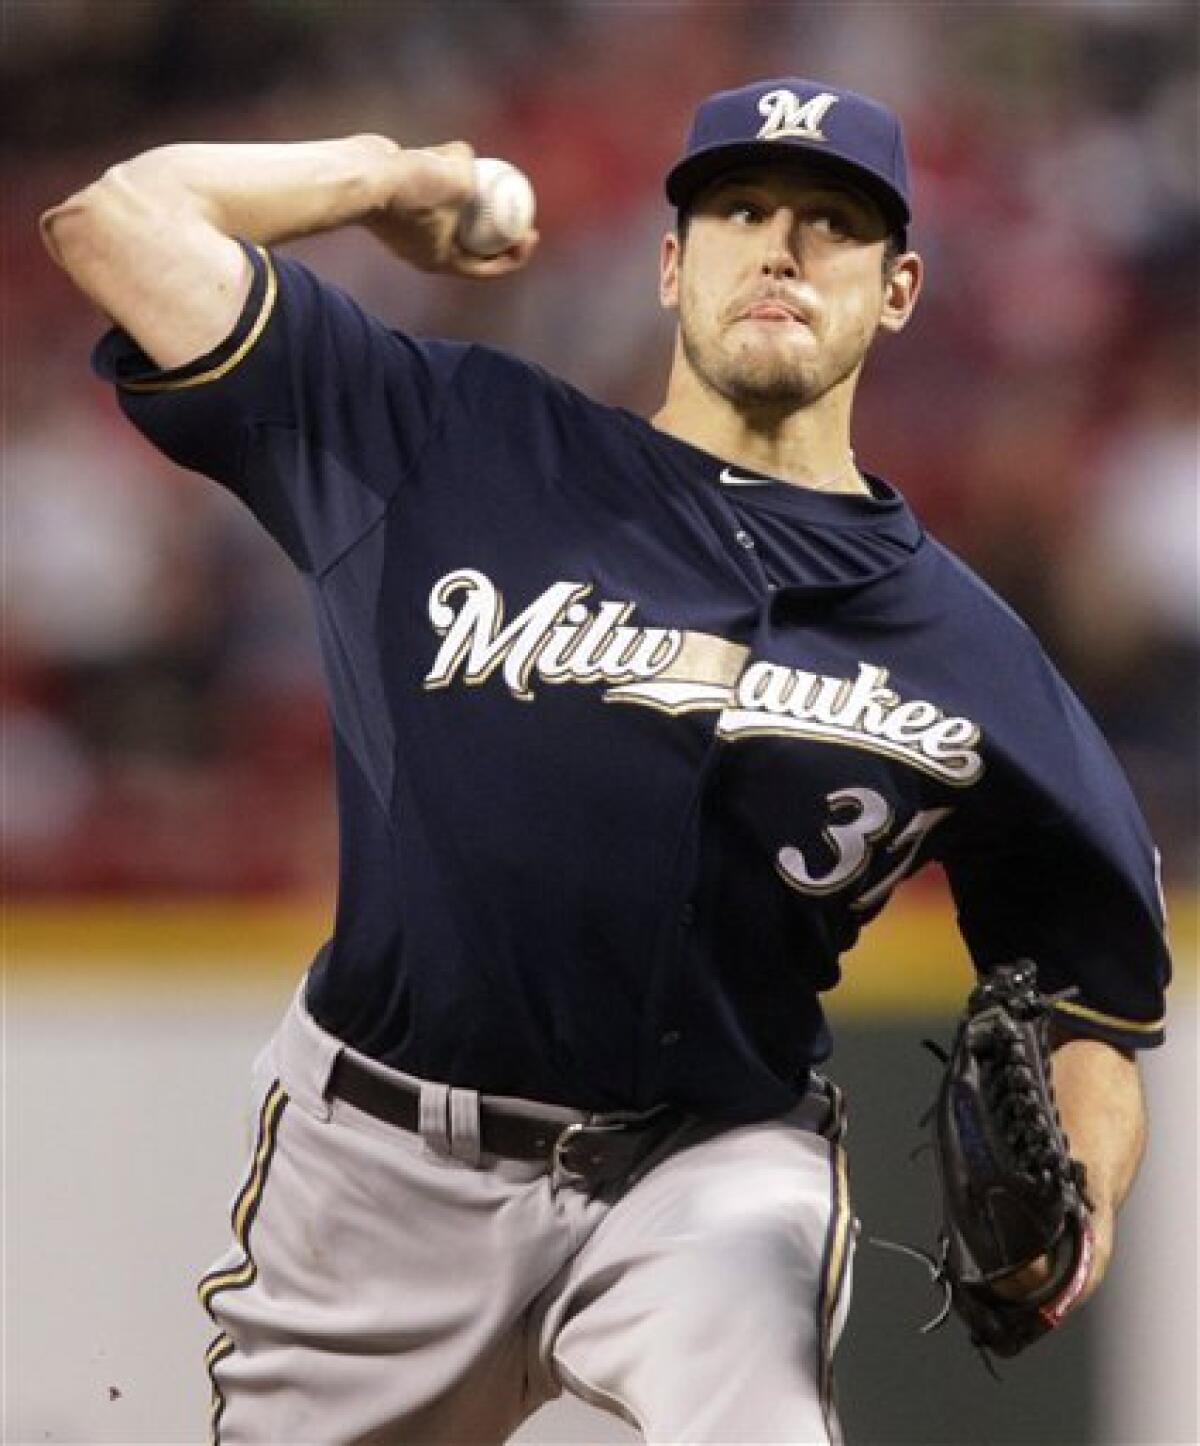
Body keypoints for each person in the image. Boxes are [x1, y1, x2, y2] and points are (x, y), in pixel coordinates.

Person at [42, 78, 1170, 1445]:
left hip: (710, 1165)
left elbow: (1092, 994)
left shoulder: (978, 658)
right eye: (742, 209)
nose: (782, 246)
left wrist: (1087, 1199)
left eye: (833, 223)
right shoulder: (450, 440)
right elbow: (118, 224)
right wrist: (398, 178)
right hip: (379, 1166)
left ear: (900, 290)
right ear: (671, 263)